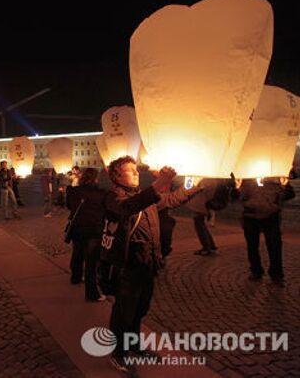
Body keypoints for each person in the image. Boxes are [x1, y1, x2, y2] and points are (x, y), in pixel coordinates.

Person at [101, 156, 202, 374]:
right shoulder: (113, 197)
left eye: (136, 169)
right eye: (130, 170)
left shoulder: (143, 196)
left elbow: (173, 199)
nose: (136, 173)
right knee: (123, 312)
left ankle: (135, 345)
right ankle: (118, 354)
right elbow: (127, 208)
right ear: (116, 177)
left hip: (148, 264)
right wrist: (158, 183)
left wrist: (195, 184)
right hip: (127, 267)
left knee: (140, 309)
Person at [233, 175, 295, 284]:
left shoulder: (276, 179)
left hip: (271, 216)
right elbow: (234, 197)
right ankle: (256, 270)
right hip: (250, 216)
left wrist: (286, 185)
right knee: (252, 245)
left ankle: (276, 274)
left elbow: (289, 194)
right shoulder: (246, 180)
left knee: (274, 246)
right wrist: (236, 187)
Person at [66, 168, 109, 301]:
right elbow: (107, 211)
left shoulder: (73, 191)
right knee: (91, 263)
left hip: (77, 228)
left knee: (77, 253)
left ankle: (75, 277)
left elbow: (69, 206)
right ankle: (92, 294)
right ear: (96, 179)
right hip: (93, 230)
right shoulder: (102, 193)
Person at [185, 178, 223, 256]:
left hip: (199, 204)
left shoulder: (203, 180)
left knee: (199, 226)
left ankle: (206, 247)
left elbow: (189, 187)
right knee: (202, 226)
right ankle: (211, 246)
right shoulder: (212, 180)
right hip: (202, 204)